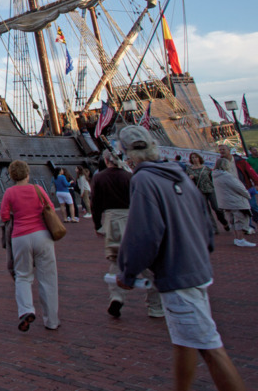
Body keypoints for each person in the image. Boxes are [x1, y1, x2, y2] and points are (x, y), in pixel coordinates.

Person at [117, 126, 246, 391]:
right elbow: (205, 220)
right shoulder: (180, 175)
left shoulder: (143, 181)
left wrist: (128, 272)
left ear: (126, 154)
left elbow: (144, 233)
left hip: (177, 273)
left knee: (210, 348)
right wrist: (203, 250)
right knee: (185, 339)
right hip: (196, 266)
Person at [91, 149, 162, 319]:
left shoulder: (99, 177)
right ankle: (155, 306)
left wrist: (98, 224)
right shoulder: (130, 177)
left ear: (106, 160)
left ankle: (116, 297)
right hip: (132, 218)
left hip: (112, 220)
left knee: (117, 261)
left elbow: (95, 204)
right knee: (146, 261)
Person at [0, 160, 60, 332]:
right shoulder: (38, 189)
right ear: (27, 174)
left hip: (20, 237)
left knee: (23, 276)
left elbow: (4, 217)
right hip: (42, 235)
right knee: (48, 278)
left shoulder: (9, 193)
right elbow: (51, 207)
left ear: (12, 176)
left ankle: (26, 310)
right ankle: (52, 320)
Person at [212, 157, 255, 247]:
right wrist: (248, 195)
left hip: (225, 202)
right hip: (235, 201)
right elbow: (239, 188)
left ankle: (237, 238)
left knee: (232, 221)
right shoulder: (227, 176)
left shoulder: (215, 175)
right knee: (240, 220)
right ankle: (241, 239)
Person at [185, 153, 230, 233]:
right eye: (192, 158)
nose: (194, 159)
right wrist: (190, 178)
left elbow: (212, 179)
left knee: (217, 208)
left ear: (199, 158)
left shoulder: (206, 168)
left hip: (210, 189)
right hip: (199, 191)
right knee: (206, 210)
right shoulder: (189, 169)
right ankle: (213, 228)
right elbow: (186, 181)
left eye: (196, 157)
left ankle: (224, 222)